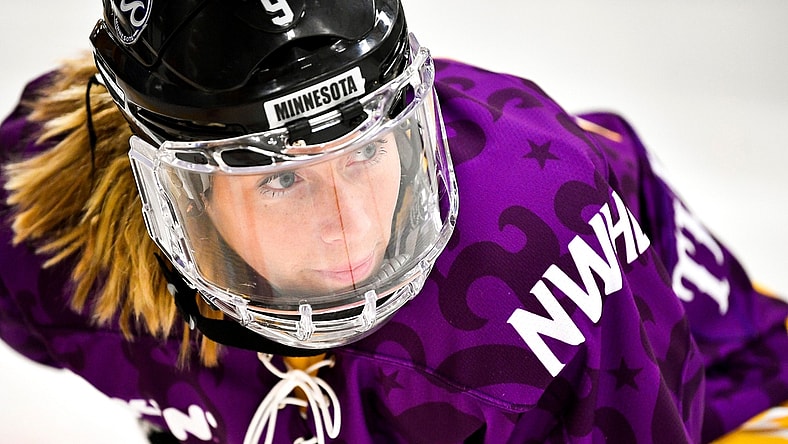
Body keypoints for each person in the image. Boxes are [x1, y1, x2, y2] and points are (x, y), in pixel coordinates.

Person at [1, 0, 787, 442]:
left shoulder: (539, 251)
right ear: (177, 194)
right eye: (280, 181)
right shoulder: (42, 231)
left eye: (366, 150)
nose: (350, 228)